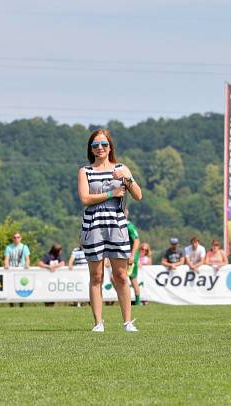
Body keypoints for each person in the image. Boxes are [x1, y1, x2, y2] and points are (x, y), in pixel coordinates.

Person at [78, 128, 143, 333]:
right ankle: (98, 323)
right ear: (91, 149)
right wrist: (111, 193)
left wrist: (127, 179)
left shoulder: (122, 168)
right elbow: (85, 199)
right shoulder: (85, 171)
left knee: (121, 275)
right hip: (94, 225)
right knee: (96, 276)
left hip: (116, 225)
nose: (100, 148)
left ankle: (128, 322)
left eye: (104, 145)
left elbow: (138, 195)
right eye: (95, 145)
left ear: (110, 147)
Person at [126, 222, 142, 306]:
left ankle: (138, 302)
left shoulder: (129, 226)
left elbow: (136, 240)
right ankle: (128, 300)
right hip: (125, 256)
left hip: (131, 258)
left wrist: (132, 255)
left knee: (133, 279)